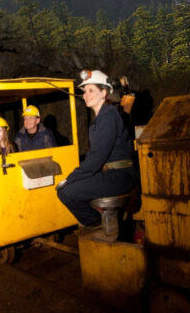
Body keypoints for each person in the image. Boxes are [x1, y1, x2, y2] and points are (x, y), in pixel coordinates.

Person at [56, 70, 136, 227]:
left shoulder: (108, 116)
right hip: (112, 174)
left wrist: (70, 179)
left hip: (121, 176)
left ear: (104, 92)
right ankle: (101, 221)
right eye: (84, 91)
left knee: (66, 192)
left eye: (91, 90)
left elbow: (97, 158)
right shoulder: (101, 118)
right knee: (71, 188)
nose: (86, 94)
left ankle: (97, 223)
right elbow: (95, 156)